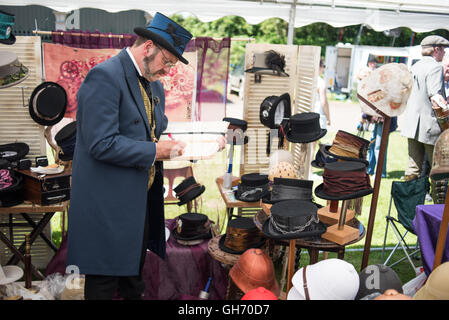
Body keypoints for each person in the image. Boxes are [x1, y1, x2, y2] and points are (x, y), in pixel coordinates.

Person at [66, 13, 193, 300]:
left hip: (138, 201)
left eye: (173, 65)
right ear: (148, 46)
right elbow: (100, 144)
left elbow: (152, 125)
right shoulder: (105, 76)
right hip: (106, 206)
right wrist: (154, 150)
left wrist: (169, 141)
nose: (168, 70)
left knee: (133, 281)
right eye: (167, 62)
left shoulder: (153, 83)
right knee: (103, 285)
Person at [401, 35, 449, 202]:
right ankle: (438, 209)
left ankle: (409, 204)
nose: (444, 53)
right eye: (443, 49)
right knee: (438, 171)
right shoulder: (435, 67)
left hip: (412, 125)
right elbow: (435, 97)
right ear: (436, 49)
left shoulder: (415, 66)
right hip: (430, 126)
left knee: (413, 168)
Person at [314, 58, 330, 130]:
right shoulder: (320, 82)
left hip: (305, 115)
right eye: (324, 66)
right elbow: (324, 102)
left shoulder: (305, 80)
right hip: (317, 116)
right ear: (320, 67)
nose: (323, 68)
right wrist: (328, 118)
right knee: (314, 141)